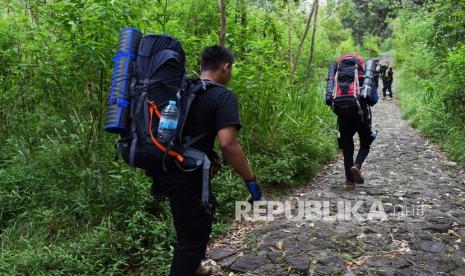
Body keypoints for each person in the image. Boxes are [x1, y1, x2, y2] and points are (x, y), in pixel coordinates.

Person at [150, 46, 262, 276]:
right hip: (188, 176)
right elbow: (228, 144)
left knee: (196, 223)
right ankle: (191, 266)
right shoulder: (223, 96)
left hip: (166, 168)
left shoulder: (182, 89)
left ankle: (197, 269)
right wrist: (250, 180)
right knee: (190, 242)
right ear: (226, 67)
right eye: (231, 70)